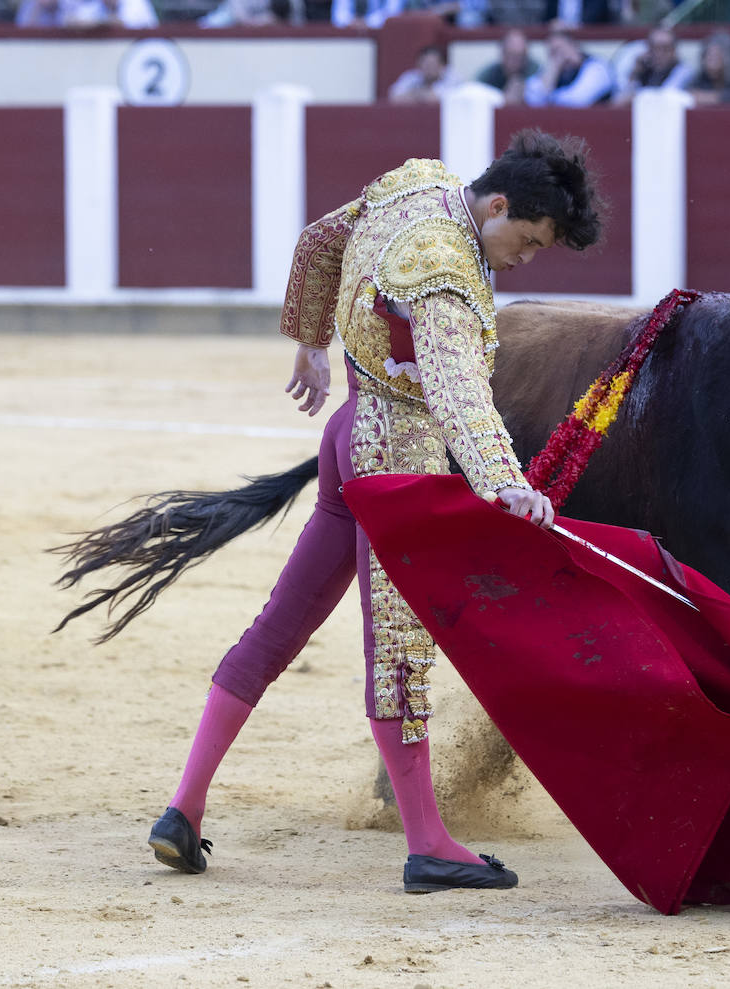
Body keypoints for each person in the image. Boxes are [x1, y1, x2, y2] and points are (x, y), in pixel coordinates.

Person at [145, 130, 602, 895]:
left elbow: (320, 240)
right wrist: (506, 483)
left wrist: (310, 339)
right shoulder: (449, 273)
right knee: (396, 650)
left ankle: (182, 807)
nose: (524, 259)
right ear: (496, 205)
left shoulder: (415, 186)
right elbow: (459, 392)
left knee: (276, 628)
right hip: (397, 459)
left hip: (345, 438)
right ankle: (427, 843)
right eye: (525, 239)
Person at [524, 29, 614, 106]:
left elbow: (579, 100)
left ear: (574, 46)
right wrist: (553, 71)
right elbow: (533, 98)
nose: (558, 57)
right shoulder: (552, 70)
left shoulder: (597, 67)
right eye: (553, 53)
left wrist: (549, 97)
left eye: (560, 49)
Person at [613, 25, 695, 105]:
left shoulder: (683, 71)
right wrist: (634, 74)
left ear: (674, 50)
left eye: (665, 48)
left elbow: (666, 97)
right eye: (654, 48)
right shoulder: (642, 69)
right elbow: (619, 100)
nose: (659, 53)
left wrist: (635, 97)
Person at [475, 28, 541, 105]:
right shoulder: (489, 75)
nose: (516, 62)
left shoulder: (537, 72)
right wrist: (502, 99)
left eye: (521, 57)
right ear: (503, 54)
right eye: (512, 56)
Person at [684, 30, 730, 107]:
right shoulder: (700, 77)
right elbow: (689, 95)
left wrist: (714, 98)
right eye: (709, 57)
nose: (712, 63)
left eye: (717, 57)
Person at [388, 45, 461, 104]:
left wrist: (415, 95)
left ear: (442, 66)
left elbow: (447, 98)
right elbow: (394, 96)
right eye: (425, 64)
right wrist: (422, 95)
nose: (428, 68)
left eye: (432, 64)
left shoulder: (452, 77)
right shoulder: (411, 76)